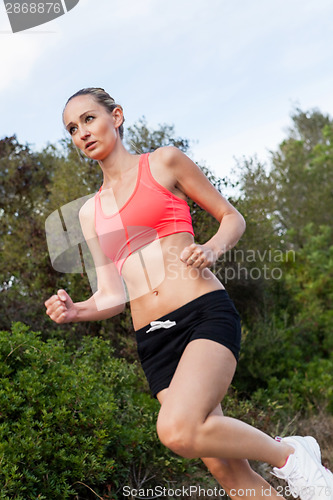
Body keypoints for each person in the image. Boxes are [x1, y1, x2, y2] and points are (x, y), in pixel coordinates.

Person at [45, 87, 333, 500]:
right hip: (155, 341)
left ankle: (289, 455)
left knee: (177, 431)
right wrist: (76, 311)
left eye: (89, 119)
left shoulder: (163, 163)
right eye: (72, 129)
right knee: (229, 474)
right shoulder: (90, 213)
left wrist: (212, 248)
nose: (82, 133)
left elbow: (232, 218)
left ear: (117, 116)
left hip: (201, 314)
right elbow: (110, 295)